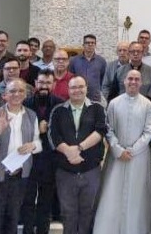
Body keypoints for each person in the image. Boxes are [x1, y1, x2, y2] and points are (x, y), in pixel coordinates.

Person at [0, 78, 41, 234]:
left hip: (20, 176)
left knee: (13, 219)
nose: (16, 94)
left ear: (25, 94)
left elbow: (38, 142)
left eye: (20, 91)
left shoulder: (32, 115)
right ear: (4, 95)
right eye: (12, 91)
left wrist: (33, 146)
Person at [93, 70, 151, 234]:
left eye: (137, 79)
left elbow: (148, 132)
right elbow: (108, 129)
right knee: (112, 192)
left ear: (141, 83)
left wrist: (132, 151)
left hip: (139, 157)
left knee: (137, 194)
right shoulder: (114, 103)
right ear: (124, 81)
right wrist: (118, 150)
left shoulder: (147, 105)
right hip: (117, 156)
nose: (133, 82)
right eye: (130, 79)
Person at [49, 77, 107, 234]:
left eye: (81, 86)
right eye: (73, 87)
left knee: (88, 211)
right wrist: (69, 152)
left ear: (86, 88)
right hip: (65, 171)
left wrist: (79, 148)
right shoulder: (58, 110)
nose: (77, 90)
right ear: (68, 90)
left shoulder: (97, 108)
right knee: (68, 212)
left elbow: (100, 131)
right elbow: (54, 136)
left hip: (90, 170)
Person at [21, 70, 63, 234]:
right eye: (41, 82)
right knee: (28, 200)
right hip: (29, 159)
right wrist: (38, 130)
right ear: (35, 84)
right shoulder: (25, 103)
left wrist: (48, 128)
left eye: (48, 83)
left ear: (54, 84)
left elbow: (62, 131)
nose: (44, 86)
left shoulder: (60, 104)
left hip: (51, 160)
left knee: (46, 202)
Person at [68, 34, 107, 102]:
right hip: (78, 96)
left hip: (95, 98)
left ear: (95, 45)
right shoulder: (74, 60)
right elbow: (70, 77)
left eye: (92, 43)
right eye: (87, 43)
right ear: (83, 45)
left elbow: (103, 80)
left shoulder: (101, 61)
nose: (90, 45)